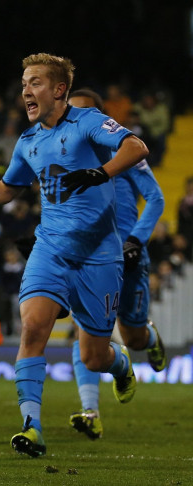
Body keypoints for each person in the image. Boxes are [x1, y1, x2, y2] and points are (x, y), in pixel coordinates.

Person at [0, 53, 149, 457]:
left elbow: (136, 146)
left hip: (99, 256)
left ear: (60, 90)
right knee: (33, 328)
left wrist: (100, 172)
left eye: (36, 82)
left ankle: (122, 365)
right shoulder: (28, 142)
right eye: (24, 83)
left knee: (94, 357)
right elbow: (8, 187)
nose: (26, 90)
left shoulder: (88, 121)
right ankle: (32, 427)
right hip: (51, 249)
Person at [65, 89, 166, 440]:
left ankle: (148, 336)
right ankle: (90, 410)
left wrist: (136, 239)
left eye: (84, 113)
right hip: (91, 257)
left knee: (133, 336)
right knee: (87, 334)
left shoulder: (124, 151)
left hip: (129, 254)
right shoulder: (63, 157)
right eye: (70, 113)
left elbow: (155, 197)